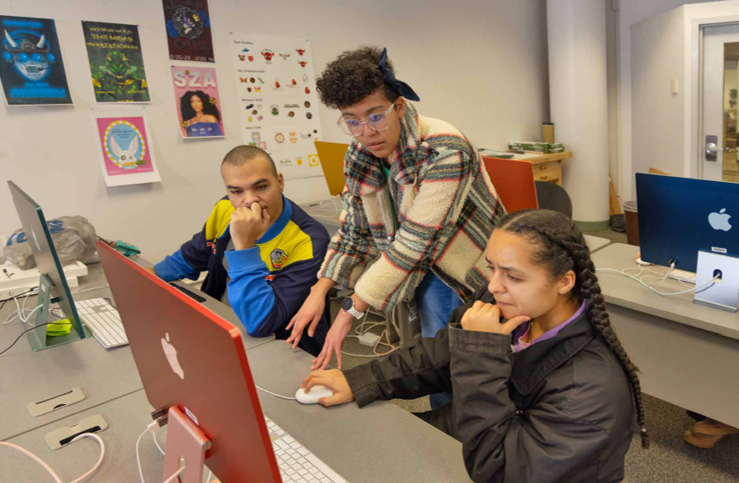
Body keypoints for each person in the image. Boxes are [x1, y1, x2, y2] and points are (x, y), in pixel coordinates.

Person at [301, 209, 649, 483]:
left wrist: (480, 352)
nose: (494, 286)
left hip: (503, 462)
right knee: (369, 451)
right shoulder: (510, 303)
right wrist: (362, 381)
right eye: (492, 268)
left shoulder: (589, 391)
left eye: (513, 276)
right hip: (477, 431)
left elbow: (500, 471)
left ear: (564, 281)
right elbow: (437, 354)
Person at [287, 47, 504, 398]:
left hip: (461, 269)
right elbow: (354, 228)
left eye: (376, 116)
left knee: (449, 362)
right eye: (352, 121)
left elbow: (415, 242)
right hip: (411, 263)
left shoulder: (445, 149)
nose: (366, 132)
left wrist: (350, 310)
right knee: (428, 357)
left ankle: (457, 437)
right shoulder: (360, 154)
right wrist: (320, 288)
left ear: (399, 106)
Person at [150, 146, 330, 356]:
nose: (250, 200)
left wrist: (245, 246)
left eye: (261, 187)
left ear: (280, 182)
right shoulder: (225, 208)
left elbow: (261, 322)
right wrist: (146, 276)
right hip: (223, 324)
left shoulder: (310, 239)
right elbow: (190, 257)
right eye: (236, 191)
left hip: (279, 346)